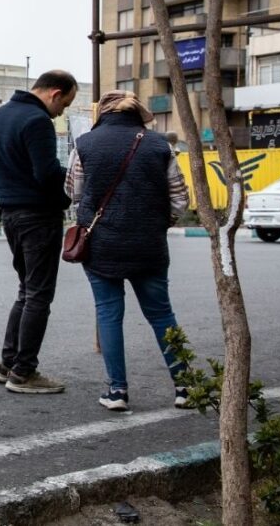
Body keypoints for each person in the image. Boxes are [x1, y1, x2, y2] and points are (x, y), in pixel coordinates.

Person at [65, 90, 191, 411]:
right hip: (149, 245)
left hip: (100, 244)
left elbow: (74, 193)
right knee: (161, 314)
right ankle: (186, 388)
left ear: (103, 114)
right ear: (138, 114)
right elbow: (179, 200)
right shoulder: (160, 145)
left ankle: (117, 391)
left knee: (109, 313)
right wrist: (157, 222)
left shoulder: (84, 145)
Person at [0, 70, 78, 394]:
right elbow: (47, 174)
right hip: (38, 216)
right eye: (64, 104)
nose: (62, 111)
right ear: (55, 93)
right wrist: (72, 185)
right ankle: (24, 372)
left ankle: (7, 363)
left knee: (26, 290)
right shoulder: (38, 121)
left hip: (10, 214)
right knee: (38, 294)